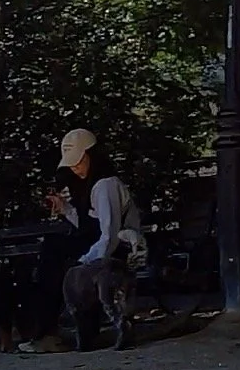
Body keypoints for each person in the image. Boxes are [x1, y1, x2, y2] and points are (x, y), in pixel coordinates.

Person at [19, 128, 147, 353]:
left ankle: (52, 332)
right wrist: (66, 209)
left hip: (120, 249)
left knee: (57, 258)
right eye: (72, 163)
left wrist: (84, 260)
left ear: (92, 156)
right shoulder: (89, 185)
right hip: (102, 245)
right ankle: (49, 330)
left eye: (79, 161)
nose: (76, 168)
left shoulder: (106, 185)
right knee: (52, 252)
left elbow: (109, 236)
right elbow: (89, 226)